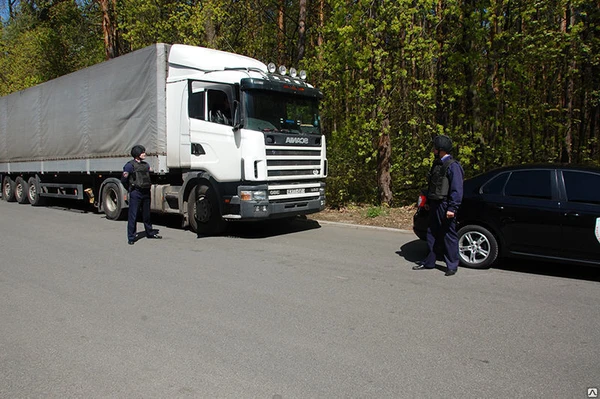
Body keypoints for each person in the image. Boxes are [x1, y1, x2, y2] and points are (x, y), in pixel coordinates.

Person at [413, 135, 464, 276]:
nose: (433, 149)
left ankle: (452, 265)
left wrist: (452, 208)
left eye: (435, 147)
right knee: (431, 233)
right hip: (435, 203)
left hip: (446, 204)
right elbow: (432, 185)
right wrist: (429, 202)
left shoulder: (453, 166)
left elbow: (457, 189)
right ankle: (429, 261)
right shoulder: (436, 163)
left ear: (440, 149)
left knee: (448, 234)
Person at [121, 145, 162, 245]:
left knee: (147, 214)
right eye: (142, 152)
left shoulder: (145, 165)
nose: (144, 154)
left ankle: (150, 232)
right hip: (136, 192)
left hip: (146, 192)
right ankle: (131, 237)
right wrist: (130, 189)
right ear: (137, 154)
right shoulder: (130, 166)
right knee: (133, 215)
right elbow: (124, 180)